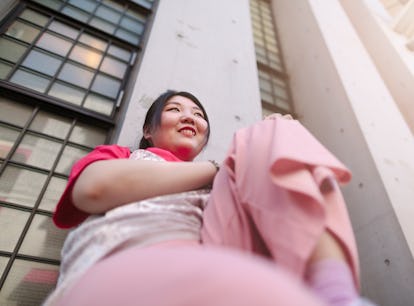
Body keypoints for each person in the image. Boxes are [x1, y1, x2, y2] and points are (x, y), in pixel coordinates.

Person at [43, 90, 375, 306]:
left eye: (198, 114)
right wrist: (214, 167)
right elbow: (93, 191)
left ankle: (338, 295)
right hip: (128, 255)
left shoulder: (221, 184)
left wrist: (264, 141)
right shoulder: (123, 155)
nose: (189, 116)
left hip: (217, 247)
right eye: (174, 110)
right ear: (148, 131)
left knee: (271, 131)